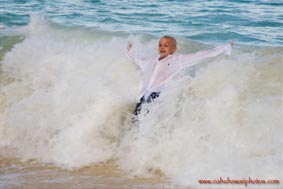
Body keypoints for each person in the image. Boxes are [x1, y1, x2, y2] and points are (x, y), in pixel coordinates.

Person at [127, 36, 234, 116]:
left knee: (146, 121)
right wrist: (129, 51)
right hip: (142, 96)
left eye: (166, 45)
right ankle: (132, 143)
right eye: (160, 45)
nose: (162, 47)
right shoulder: (150, 62)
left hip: (156, 96)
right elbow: (137, 60)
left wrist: (225, 48)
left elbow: (200, 55)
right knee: (135, 120)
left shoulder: (177, 60)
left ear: (173, 49)